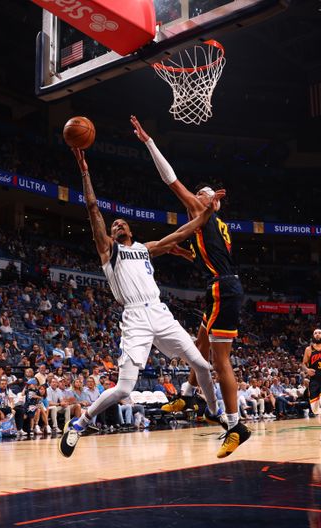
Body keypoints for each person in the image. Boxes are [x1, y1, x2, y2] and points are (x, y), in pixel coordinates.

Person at [59, 148, 227, 459]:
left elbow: (179, 234)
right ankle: (80, 423)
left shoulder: (144, 247)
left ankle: (215, 413)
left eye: (122, 223)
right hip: (135, 317)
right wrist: (85, 171)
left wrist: (206, 215)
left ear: (131, 230)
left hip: (160, 311)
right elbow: (93, 208)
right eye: (114, 225)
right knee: (124, 389)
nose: (117, 225)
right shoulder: (109, 250)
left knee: (203, 366)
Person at [132, 116, 250, 457]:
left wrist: (149, 142)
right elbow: (204, 254)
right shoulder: (216, 227)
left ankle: (234, 424)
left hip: (222, 289)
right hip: (221, 287)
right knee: (199, 340)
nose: (194, 198)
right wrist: (183, 251)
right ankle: (187, 394)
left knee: (219, 360)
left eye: (201, 195)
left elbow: (171, 181)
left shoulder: (204, 212)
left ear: (210, 203)